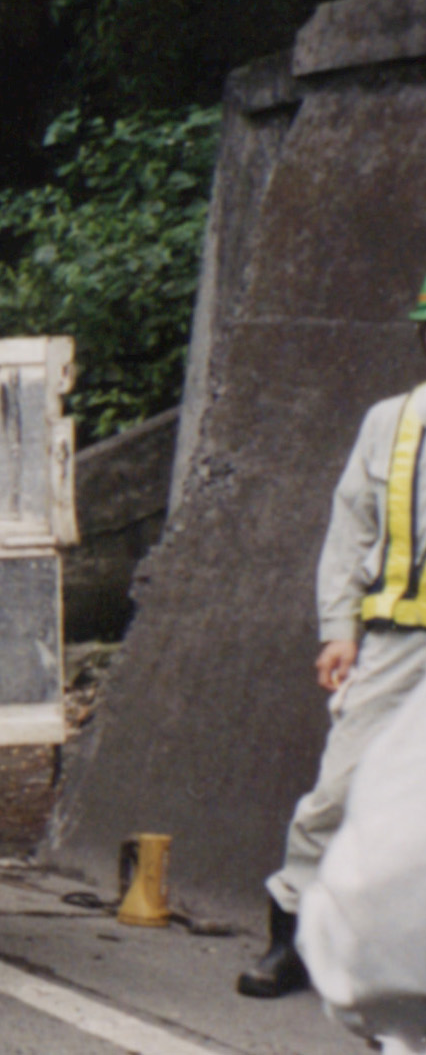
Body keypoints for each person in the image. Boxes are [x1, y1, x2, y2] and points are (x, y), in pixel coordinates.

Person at [238, 276, 426, 999]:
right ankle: (293, 938)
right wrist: (339, 630)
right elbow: (350, 530)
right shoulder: (392, 421)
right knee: (339, 792)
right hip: (395, 646)